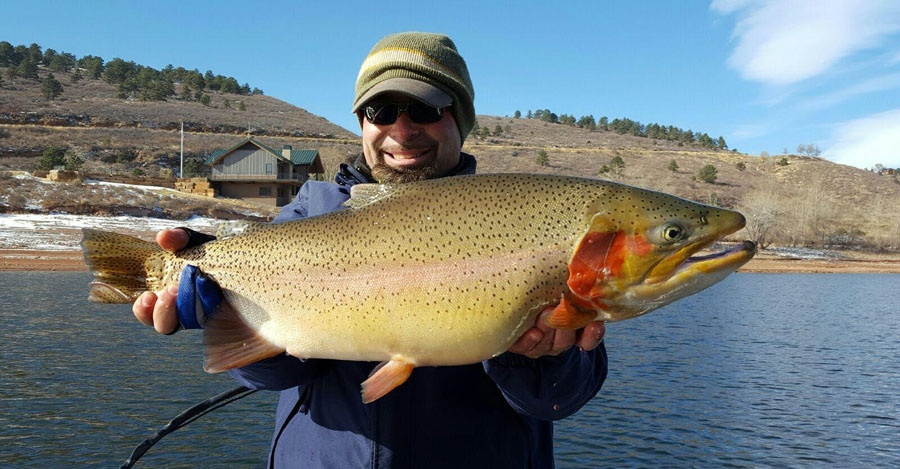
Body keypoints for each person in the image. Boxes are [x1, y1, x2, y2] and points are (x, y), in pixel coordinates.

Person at [132, 32, 608, 468]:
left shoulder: (521, 220)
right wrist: (223, 312)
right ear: (361, 121)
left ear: (459, 119)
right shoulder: (309, 214)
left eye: (424, 109)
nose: (402, 130)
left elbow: (560, 399)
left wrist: (539, 358)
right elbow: (271, 376)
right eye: (380, 112)